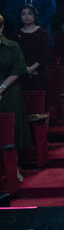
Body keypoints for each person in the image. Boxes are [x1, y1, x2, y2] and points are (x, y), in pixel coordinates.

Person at [0, 14, 31, 153]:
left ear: (1, 28)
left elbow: (17, 71)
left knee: (12, 130)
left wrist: (1, 89)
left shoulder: (12, 46)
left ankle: (14, 166)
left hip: (9, 91)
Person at [13, 6, 50, 93]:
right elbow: (13, 55)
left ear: (34, 16)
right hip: (20, 72)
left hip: (39, 71)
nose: (26, 16)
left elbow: (46, 55)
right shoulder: (15, 34)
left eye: (29, 13)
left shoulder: (42, 33)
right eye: (23, 14)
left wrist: (32, 68)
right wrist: (24, 69)